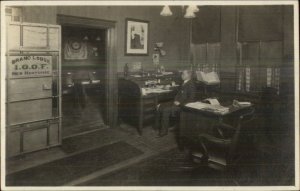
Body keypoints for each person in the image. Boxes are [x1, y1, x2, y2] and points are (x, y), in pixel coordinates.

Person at [156, 70, 196, 137]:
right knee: (159, 105)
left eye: (183, 74)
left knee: (165, 110)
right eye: (182, 74)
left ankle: (163, 132)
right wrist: (169, 87)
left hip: (182, 105)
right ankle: (157, 126)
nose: (181, 75)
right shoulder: (184, 82)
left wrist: (180, 103)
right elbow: (178, 90)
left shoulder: (191, 85)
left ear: (188, 76)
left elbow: (191, 100)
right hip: (175, 102)